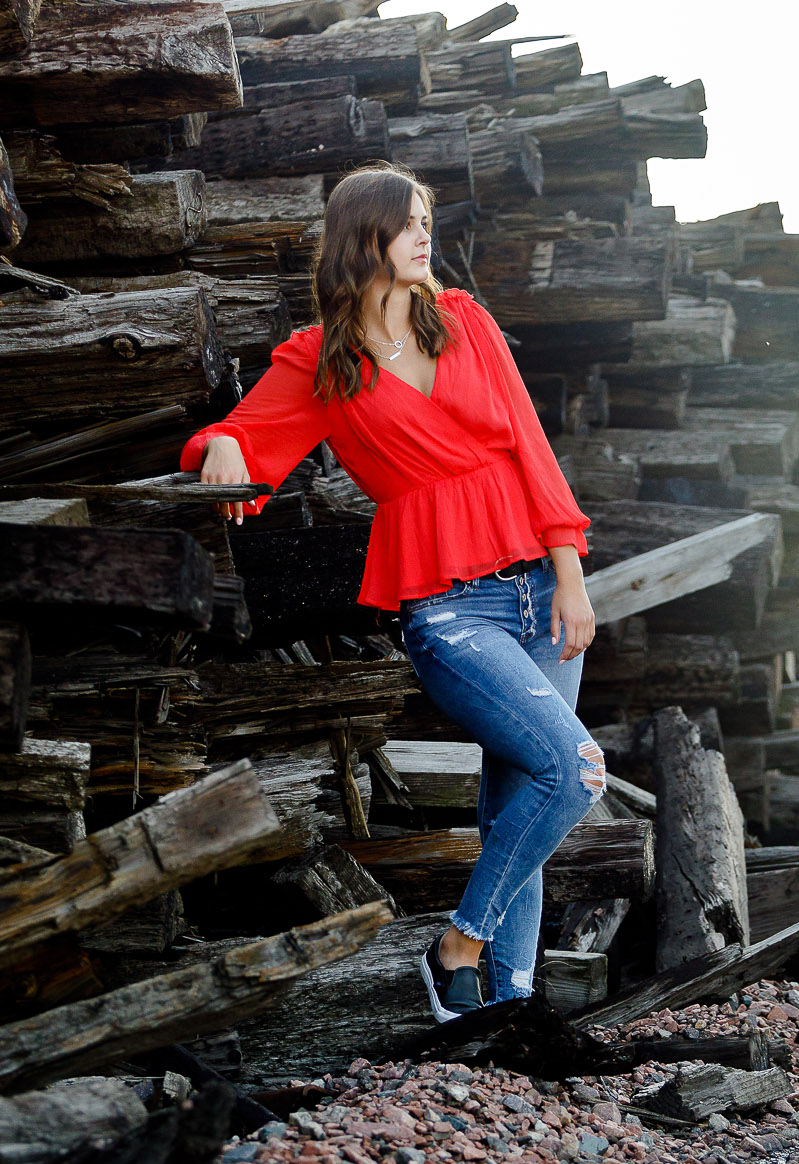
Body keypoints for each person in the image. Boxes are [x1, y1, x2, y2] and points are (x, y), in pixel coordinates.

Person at [180, 163, 606, 1023]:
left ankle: (506, 1003)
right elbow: (242, 442)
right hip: (449, 606)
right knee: (574, 770)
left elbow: (529, 447)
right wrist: (217, 445)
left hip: (534, 587)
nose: (424, 236)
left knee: (517, 800)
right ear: (361, 237)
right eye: (406, 223)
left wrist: (570, 577)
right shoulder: (321, 362)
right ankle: (458, 945)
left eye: (426, 221)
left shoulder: (465, 324)